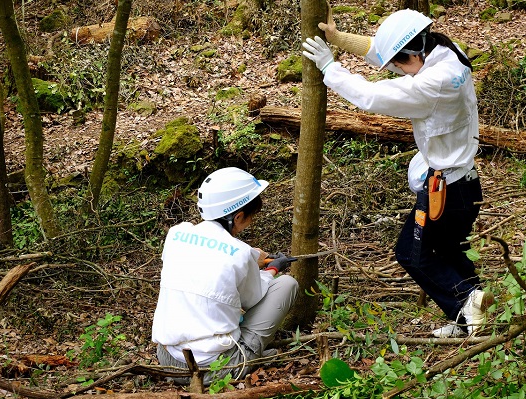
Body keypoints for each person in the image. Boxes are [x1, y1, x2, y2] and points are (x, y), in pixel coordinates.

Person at [302, 8, 494, 337]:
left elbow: (372, 95)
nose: (395, 70)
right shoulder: (448, 51)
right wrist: (340, 40)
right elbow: (392, 53)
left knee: (410, 253)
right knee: (448, 250)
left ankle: (467, 300)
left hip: (446, 190)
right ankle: (466, 319)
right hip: (464, 184)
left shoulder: (431, 85)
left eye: (399, 65)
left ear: (412, 56)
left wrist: (330, 68)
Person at [152, 167, 298, 384]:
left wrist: (250, 259)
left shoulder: (177, 234)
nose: (251, 221)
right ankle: (247, 359)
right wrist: (272, 269)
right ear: (238, 216)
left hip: (168, 359)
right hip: (213, 369)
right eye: (250, 216)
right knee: (287, 284)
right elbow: (252, 300)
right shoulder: (240, 253)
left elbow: (205, 260)